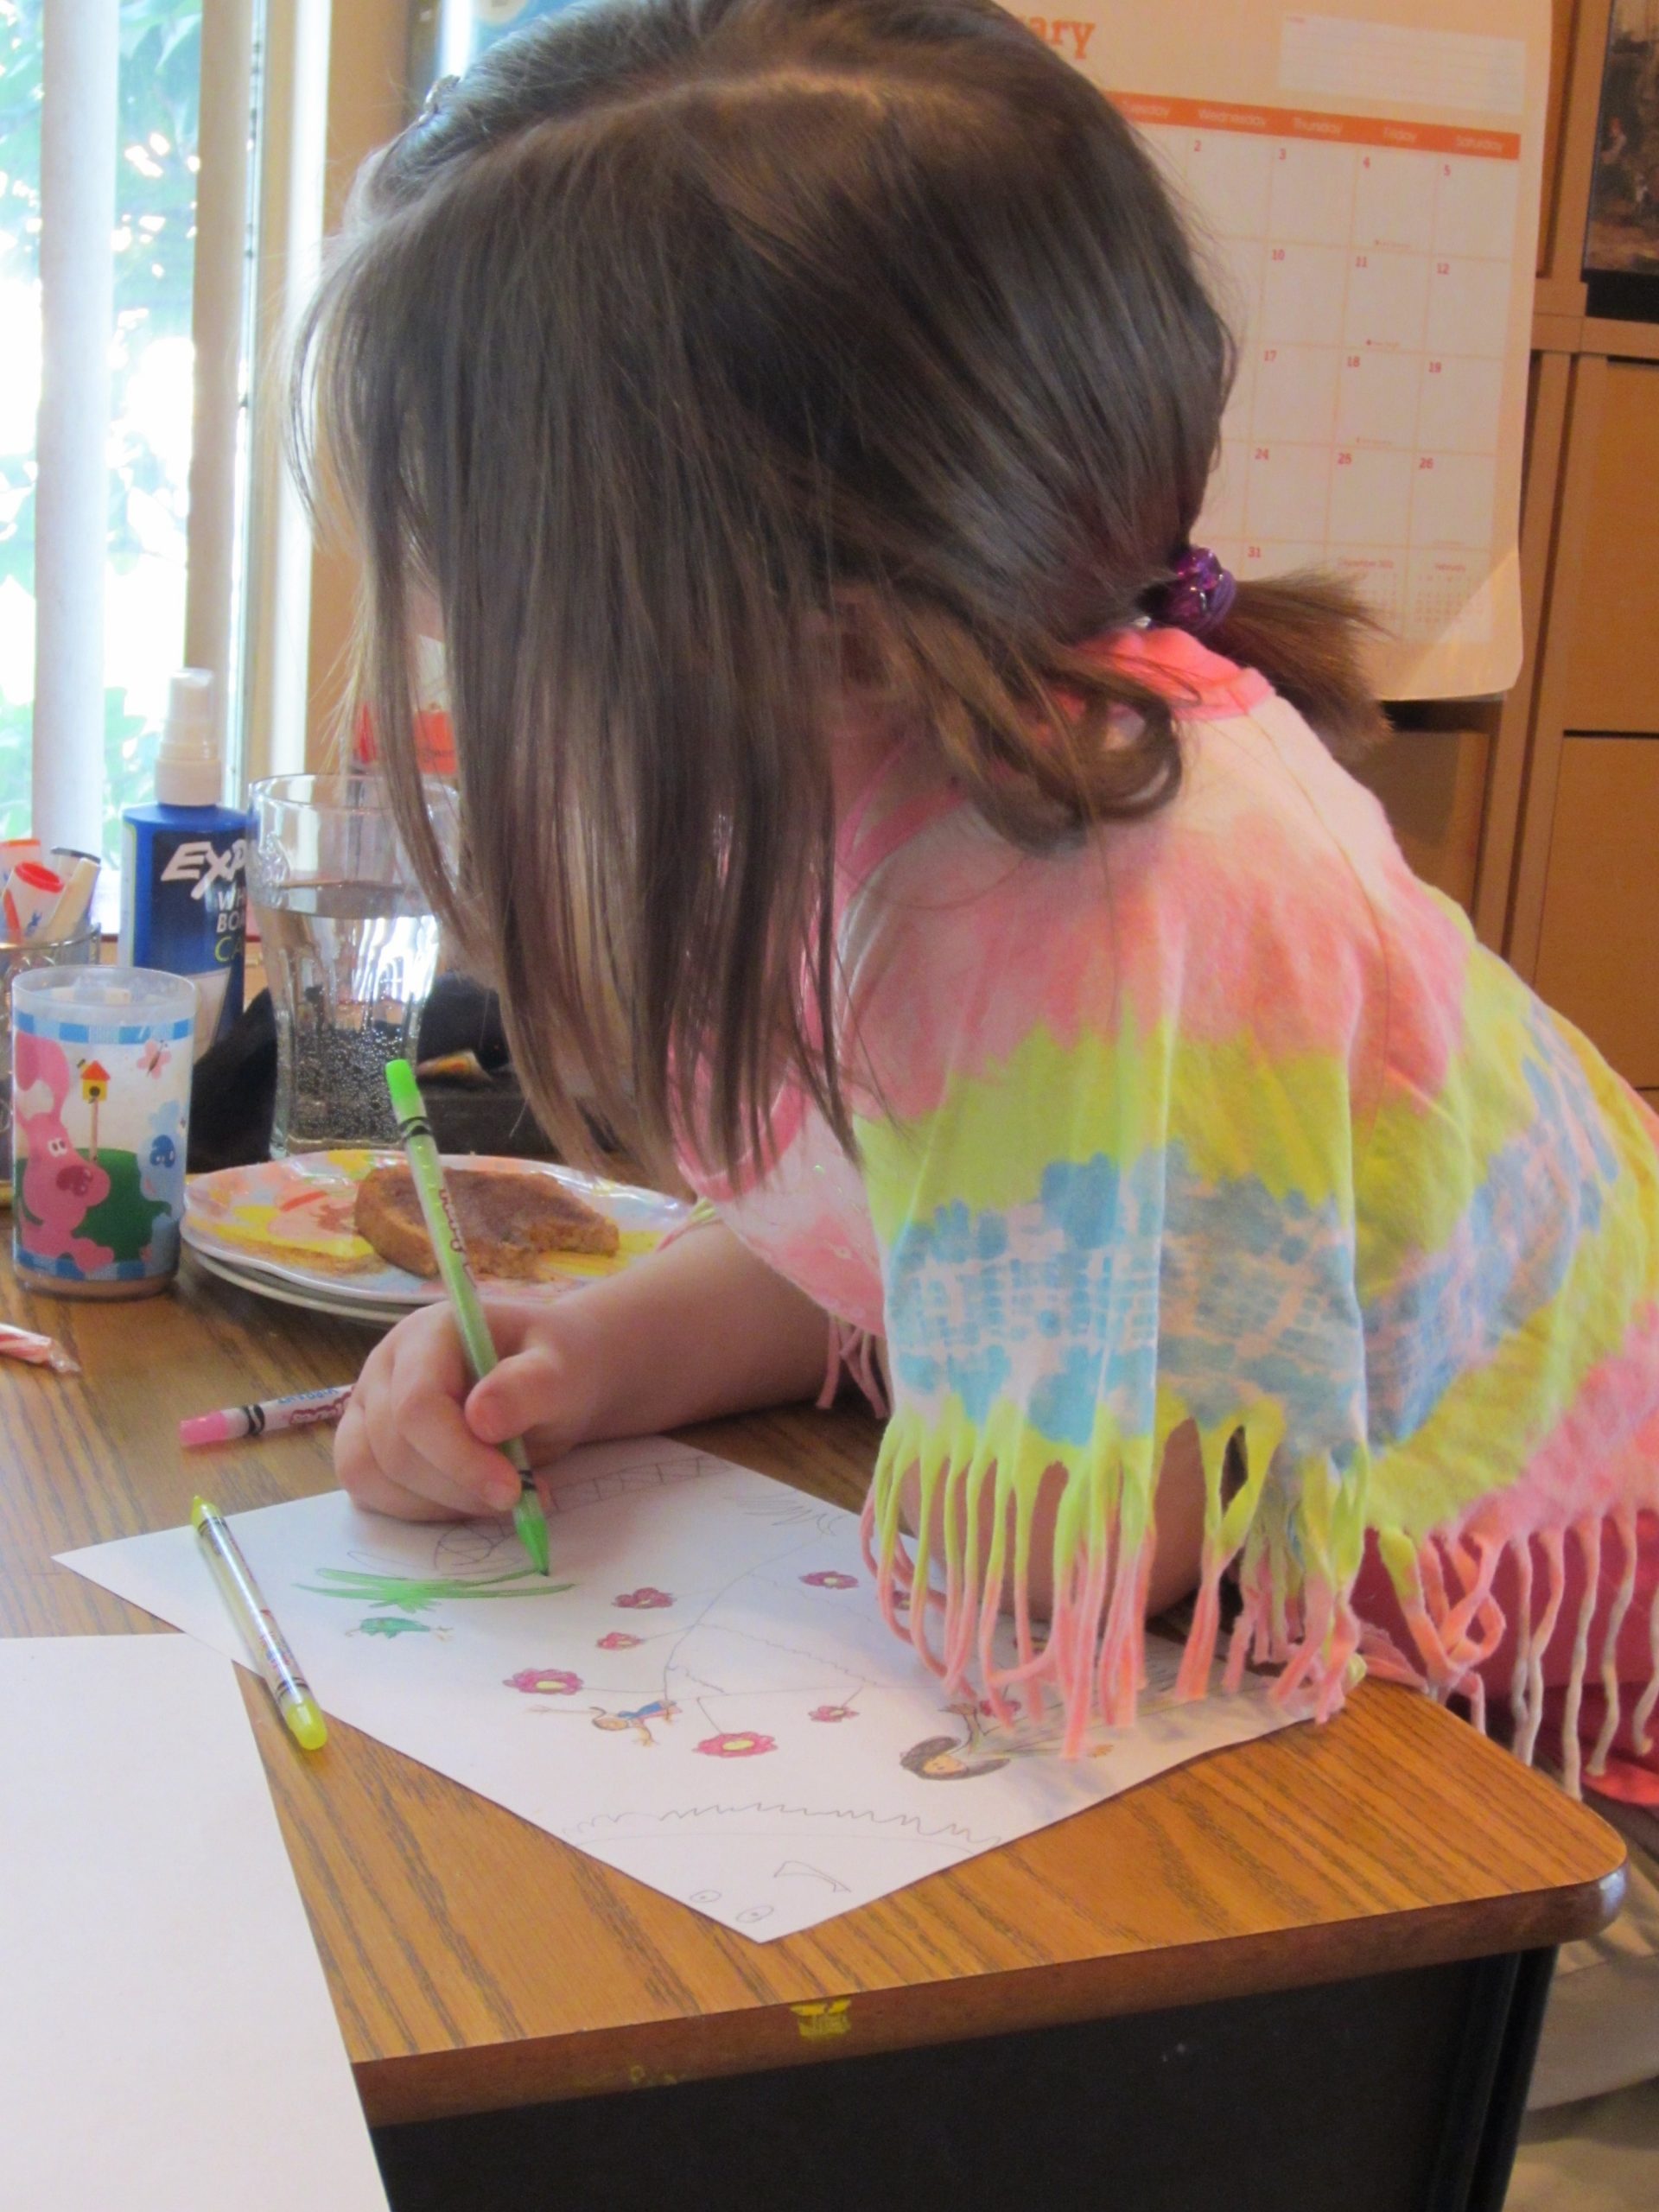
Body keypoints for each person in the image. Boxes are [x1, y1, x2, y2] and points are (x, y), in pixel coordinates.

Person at [308, 0, 1659, 1806]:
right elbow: (927, 1215)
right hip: (1306, 1631)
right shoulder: (873, 753)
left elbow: (1080, 1532)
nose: (446, 636)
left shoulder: (1127, 892)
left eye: (487, 578)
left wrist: (943, 1449)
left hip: (1544, 1709)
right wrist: (604, 1351)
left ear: (819, 618)